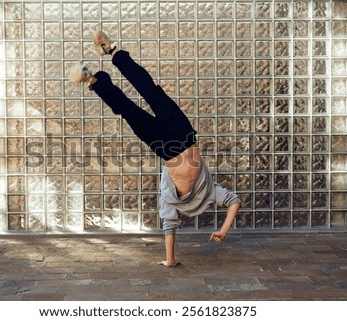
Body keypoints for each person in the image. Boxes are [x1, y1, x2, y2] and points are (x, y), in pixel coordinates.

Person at [71, 31, 241, 267]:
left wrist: (170, 261)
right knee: (150, 90)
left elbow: (169, 228)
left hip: (163, 147)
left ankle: (92, 80)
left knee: (127, 110)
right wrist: (223, 230)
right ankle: (112, 50)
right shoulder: (210, 193)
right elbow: (234, 201)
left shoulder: (169, 200)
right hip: (183, 133)